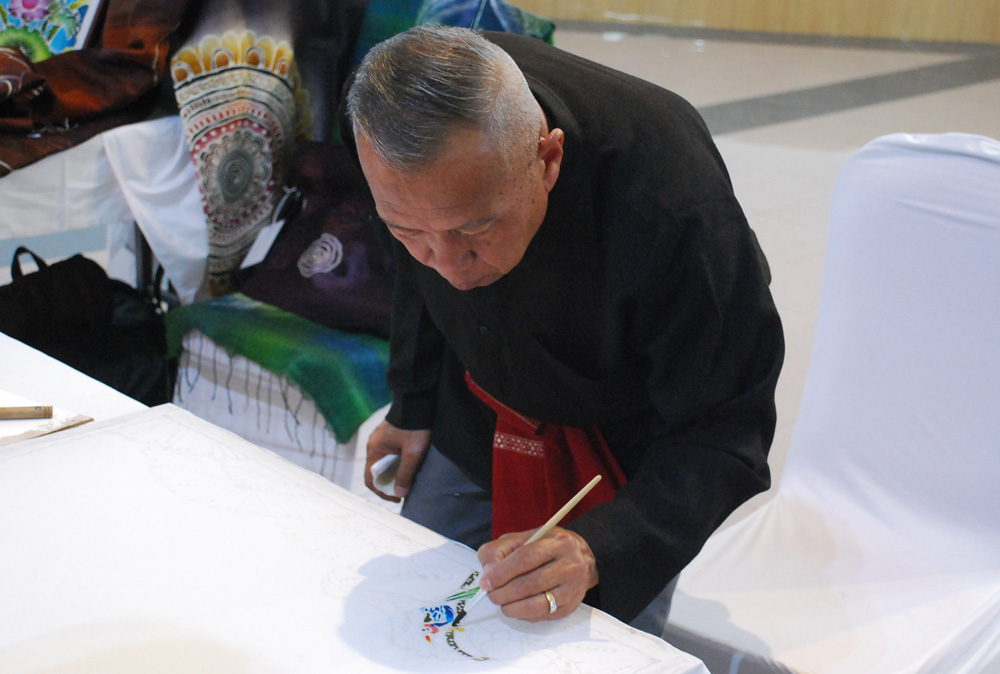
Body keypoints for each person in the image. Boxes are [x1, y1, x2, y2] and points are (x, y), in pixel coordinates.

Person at [343, 25, 784, 636]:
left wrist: (602, 547)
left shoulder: (673, 203)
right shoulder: (388, 117)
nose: (448, 267)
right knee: (418, 624)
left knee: (591, 650)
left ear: (547, 160)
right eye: (406, 231)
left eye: (477, 229)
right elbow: (417, 271)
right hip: (477, 411)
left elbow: (726, 426)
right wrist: (414, 399)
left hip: (625, 462)